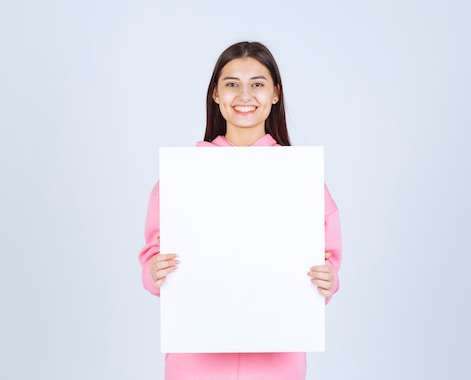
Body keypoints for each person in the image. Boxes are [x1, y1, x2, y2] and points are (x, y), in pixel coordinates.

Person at [138, 41, 342, 380]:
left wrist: (328, 280)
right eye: (231, 83)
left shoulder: (301, 177)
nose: (244, 95)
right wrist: (155, 272)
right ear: (215, 94)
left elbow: (328, 261)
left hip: (278, 357)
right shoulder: (183, 175)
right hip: (196, 357)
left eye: (257, 84)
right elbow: (151, 259)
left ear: (275, 94)